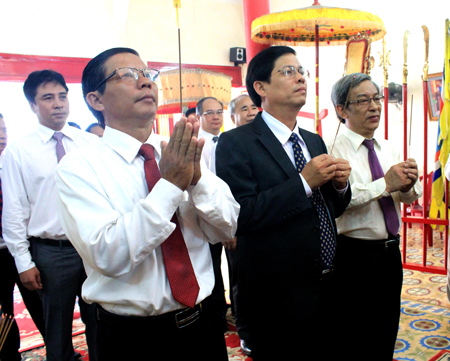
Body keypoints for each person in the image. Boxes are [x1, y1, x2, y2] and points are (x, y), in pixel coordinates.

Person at [54, 47, 239, 361]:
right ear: (95, 100)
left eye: (149, 75)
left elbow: (227, 225)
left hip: (204, 323)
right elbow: (108, 254)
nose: (145, 83)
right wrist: (169, 186)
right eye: (127, 75)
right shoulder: (78, 168)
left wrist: (195, 180)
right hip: (134, 337)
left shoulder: (176, 151)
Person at [215, 45, 351, 360]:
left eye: (301, 71)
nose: (300, 78)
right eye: (288, 71)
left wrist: (341, 187)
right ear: (260, 87)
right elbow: (243, 215)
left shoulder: (313, 139)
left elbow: (328, 210)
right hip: (275, 293)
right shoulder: (237, 143)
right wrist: (303, 182)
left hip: (328, 283)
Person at [2, 70, 98, 361]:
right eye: (48, 98)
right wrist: (23, 261)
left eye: (62, 96)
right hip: (51, 253)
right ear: (32, 105)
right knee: (56, 330)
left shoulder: (89, 144)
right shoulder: (18, 152)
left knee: (100, 319)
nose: (58, 104)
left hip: (92, 246)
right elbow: (14, 211)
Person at [328, 73, 422, 360]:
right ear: (342, 110)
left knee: (386, 330)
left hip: (391, 252)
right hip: (354, 255)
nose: (374, 106)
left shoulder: (388, 146)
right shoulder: (333, 149)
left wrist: (408, 185)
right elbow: (339, 202)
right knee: (355, 336)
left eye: (377, 98)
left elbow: (404, 198)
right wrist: (386, 184)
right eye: (363, 100)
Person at [0, 114, 46, 361]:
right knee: (4, 311)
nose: (2, 135)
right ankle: (8, 355)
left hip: (24, 248)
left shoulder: (12, 163)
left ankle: (59, 347)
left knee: (39, 303)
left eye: (4, 129)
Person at [222, 93, 258, 356]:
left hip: (264, 228)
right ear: (233, 117)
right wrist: (228, 229)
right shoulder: (228, 143)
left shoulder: (262, 142)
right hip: (237, 227)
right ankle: (245, 332)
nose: (251, 111)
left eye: (254, 107)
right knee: (241, 283)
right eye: (244, 108)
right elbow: (225, 194)